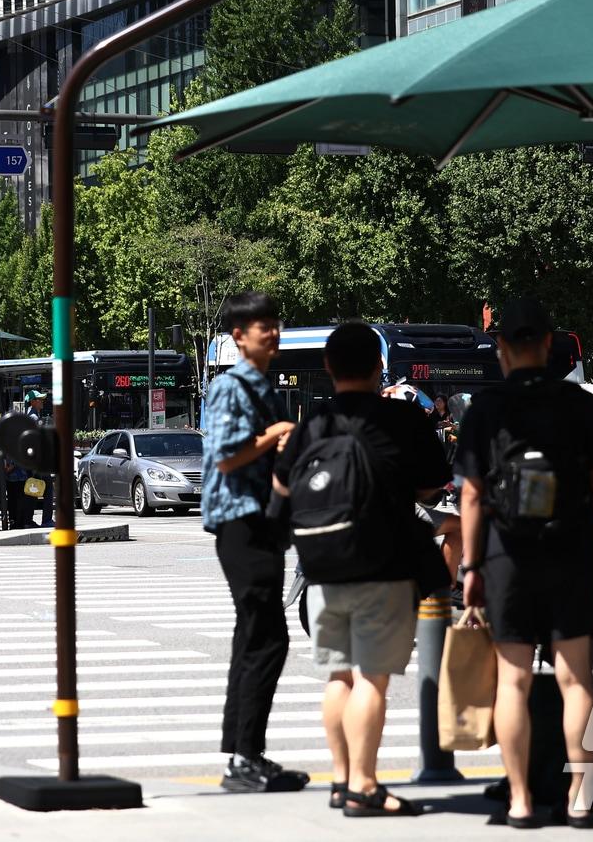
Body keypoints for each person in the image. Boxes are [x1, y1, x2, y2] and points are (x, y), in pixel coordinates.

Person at [272, 323, 449, 816]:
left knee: (337, 678)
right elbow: (433, 486)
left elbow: (281, 488)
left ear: (328, 368)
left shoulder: (312, 426)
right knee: (372, 679)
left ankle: (341, 779)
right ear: (378, 367)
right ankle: (366, 786)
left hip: (320, 567)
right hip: (384, 564)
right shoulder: (401, 420)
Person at [457, 297, 593, 829]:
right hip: (570, 552)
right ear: (549, 345)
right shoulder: (581, 405)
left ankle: (522, 800)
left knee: (514, 682)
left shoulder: (485, 408)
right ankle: (580, 797)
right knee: (578, 681)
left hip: (507, 558)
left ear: (502, 347)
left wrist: (471, 568)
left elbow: (474, 497)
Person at [201, 291, 308, 794]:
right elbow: (224, 456)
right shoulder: (230, 386)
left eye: (275, 323)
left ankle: (244, 756)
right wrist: (277, 434)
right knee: (267, 637)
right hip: (239, 521)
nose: (273, 332)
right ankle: (245, 756)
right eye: (262, 325)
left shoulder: (262, 386)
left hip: (261, 522)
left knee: (254, 637)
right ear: (239, 336)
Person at [25, 390, 54, 527]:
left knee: (34, 489)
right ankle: (46, 520)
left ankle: (28, 520)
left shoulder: (32, 416)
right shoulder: (34, 418)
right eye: (39, 399)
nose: (42, 401)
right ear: (32, 402)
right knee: (47, 489)